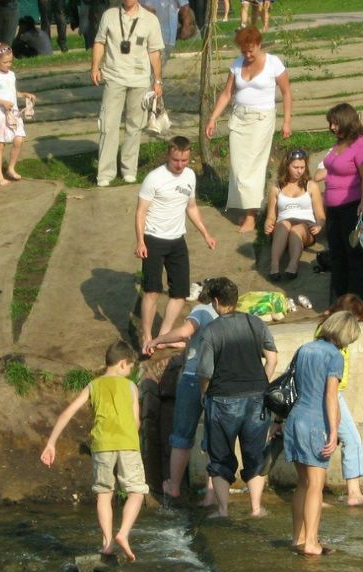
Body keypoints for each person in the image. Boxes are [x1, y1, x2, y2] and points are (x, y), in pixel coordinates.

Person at [40, 341, 148, 560]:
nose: (129, 372)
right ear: (122, 364)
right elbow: (136, 422)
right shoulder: (131, 387)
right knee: (136, 491)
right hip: (128, 443)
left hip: (101, 445)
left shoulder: (93, 385)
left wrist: (51, 443)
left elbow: (67, 414)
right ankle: (124, 534)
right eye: (130, 368)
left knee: (104, 493)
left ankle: (107, 543)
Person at [197, 277, 278, 519]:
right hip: (256, 399)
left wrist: (203, 394)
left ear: (216, 301)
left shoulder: (211, 331)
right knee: (255, 455)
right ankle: (255, 509)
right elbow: (272, 358)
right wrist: (261, 383)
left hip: (222, 400)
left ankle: (223, 510)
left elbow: (205, 372)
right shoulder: (255, 323)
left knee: (221, 457)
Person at [286, 311, 361, 556]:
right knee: (316, 486)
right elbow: (331, 396)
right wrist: (332, 432)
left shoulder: (304, 349)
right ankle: (311, 543)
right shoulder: (335, 356)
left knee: (302, 483)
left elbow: (291, 385)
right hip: (315, 422)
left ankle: (298, 538)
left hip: (295, 418)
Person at [143, 278, 222, 505]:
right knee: (212, 437)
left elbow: (186, 331)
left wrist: (158, 339)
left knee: (182, 435)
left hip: (193, 378)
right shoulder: (229, 316)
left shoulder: (202, 310)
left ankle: (174, 487)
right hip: (218, 380)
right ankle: (210, 493)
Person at [206, 27, 293, 233]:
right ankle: (248, 207)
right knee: (238, 167)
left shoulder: (273, 63)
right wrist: (212, 119)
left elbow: (286, 93)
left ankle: (251, 215)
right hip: (239, 118)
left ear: (259, 44)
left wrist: (286, 122)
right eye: (243, 50)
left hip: (262, 119)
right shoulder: (236, 64)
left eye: (250, 50)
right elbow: (227, 94)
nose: (247, 54)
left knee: (252, 167)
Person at [135, 136, 218, 350]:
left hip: (177, 241)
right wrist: (140, 241)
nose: (180, 165)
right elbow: (141, 212)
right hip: (154, 239)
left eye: (184, 161)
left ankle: (163, 336)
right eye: (176, 161)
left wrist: (205, 233)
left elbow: (191, 207)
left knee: (179, 293)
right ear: (168, 156)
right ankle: (146, 336)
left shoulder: (190, 176)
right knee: (152, 290)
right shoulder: (154, 178)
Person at [91, 0, 165, 187]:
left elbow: (154, 51)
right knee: (108, 125)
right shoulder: (109, 15)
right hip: (113, 76)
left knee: (135, 125)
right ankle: (105, 173)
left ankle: (129, 169)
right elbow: (99, 42)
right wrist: (94, 67)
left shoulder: (150, 19)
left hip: (139, 79)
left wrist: (157, 80)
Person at [315, 295, 363, 508]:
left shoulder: (323, 330)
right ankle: (354, 493)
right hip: (332, 394)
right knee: (352, 440)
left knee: (324, 444)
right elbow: (330, 387)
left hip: (324, 393)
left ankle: (316, 494)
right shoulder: (334, 341)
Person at [322, 102, 363, 305]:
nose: (332, 128)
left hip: (355, 205)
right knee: (337, 255)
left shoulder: (362, 145)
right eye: (330, 123)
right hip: (335, 208)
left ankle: (357, 303)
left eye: (335, 123)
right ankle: (338, 301)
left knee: (354, 255)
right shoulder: (339, 143)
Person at [264, 148, 325, 281]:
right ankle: (274, 266)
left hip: (305, 227)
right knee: (284, 225)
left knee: (296, 229)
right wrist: (268, 225)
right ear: (287, 166)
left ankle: (293, 265)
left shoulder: (311, 186)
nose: (299, 171)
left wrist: (319, 225)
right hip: (283, 225)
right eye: (295, 167)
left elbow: (320, 215)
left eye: (302, 167)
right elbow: (271, 216)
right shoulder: (276, 188)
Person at [0, 44, 36, 185]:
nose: (8, 65)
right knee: (0, 144)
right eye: (5, 62)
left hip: (13, 113)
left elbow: (13, 92)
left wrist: (24, 94)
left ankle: (11, 168)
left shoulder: (11, 75)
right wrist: (2, 102)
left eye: (10, 62)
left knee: (19, 139)